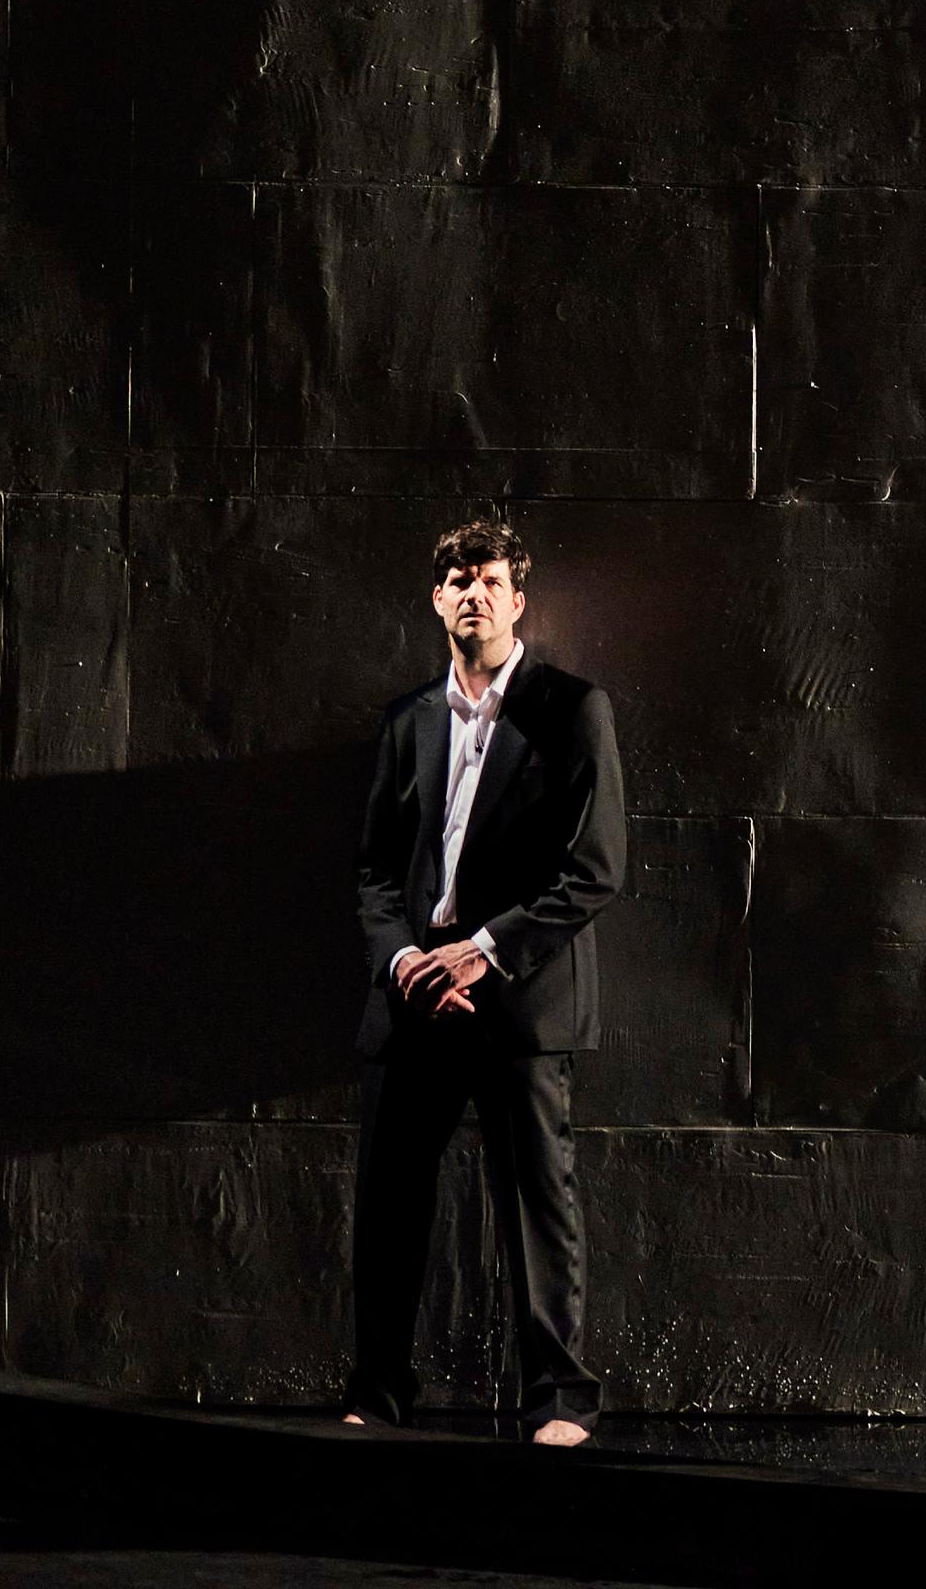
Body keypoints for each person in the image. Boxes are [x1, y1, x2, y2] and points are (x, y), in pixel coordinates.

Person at [342, 517, 625, 1445]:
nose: (473, 593)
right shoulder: (407, 721)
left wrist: (485, 949)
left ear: (517, 601)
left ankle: (560, 1401)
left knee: (538, 1208)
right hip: (416, 1000)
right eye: (457, 580)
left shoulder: (572, 709)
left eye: (490, 580)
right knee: (388, 1209)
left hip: (518, 1001)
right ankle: (378, 1396)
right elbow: (377, 875)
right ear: (437, 601)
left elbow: (595, 869)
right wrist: (403, 960)